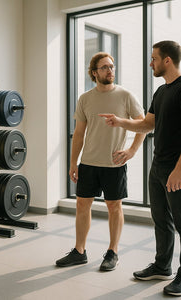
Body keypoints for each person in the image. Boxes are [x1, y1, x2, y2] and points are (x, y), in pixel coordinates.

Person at [99, 40, 181, 296]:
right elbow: (147, 125)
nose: (150, 63)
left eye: (154, 58)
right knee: (160, 219)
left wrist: (179, 170)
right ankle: (162, 265)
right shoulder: (160, 92)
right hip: (158, 166)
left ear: (167, 60)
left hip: (176, 168)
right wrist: (120, 121)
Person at [56, 52, 145, 271]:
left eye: (112, 67)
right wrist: (73, 163)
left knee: (114, 207)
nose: (110, 70)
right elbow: (78, 134)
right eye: (104, 67)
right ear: (94, 72)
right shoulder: (85, 98)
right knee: (81, 204)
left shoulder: (125, 95)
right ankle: (79, 251)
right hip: (89, 163)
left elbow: (143, 123)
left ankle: (113, 252)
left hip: (114, 163)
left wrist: (132, 150)